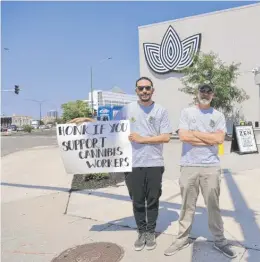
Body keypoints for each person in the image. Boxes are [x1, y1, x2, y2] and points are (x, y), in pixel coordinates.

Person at [69, 76, 172, 251]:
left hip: (154, 163)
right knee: (137, 200)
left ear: (152, 90)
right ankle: (141, 232)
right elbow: (110, 128)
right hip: (131, 163)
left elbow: (166, 137)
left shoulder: (161, 111)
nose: (144, 91)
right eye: (141, 88)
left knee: (153, 200)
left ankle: (150, 232)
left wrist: (143, 139)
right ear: (136, 91)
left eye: (147, 88)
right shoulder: (127, 110)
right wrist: (88, 122)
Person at [164, 84, 236, 258]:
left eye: (209, 92)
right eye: (202, 92)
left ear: (213, 95)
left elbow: (219, 139)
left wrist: (195, 133)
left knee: (213, 205)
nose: (205, 94)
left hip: (211, 166)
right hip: (188, 165)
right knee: (187, 206)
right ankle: (181, 238)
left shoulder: (218, 115)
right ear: (197, 94)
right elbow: (183, 136)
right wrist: (208, 139)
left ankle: (219, 241)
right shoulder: (187, 112)